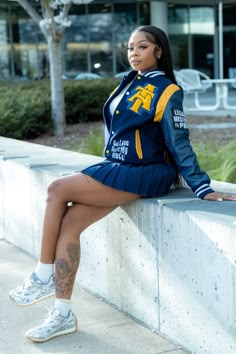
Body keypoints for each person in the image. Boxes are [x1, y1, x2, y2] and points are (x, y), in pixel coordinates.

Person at [9, 25, 236, 343]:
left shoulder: (167, 90)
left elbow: (179, 141)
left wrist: (202, 186)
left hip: (146, 172)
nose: (134, 53)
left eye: (142, 47)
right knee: (70, 222)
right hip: (119, 167)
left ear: (158, 51)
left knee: (57, 189)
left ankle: (43, 273)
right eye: (130, 48)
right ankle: (62, 313)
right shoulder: (130, 83)